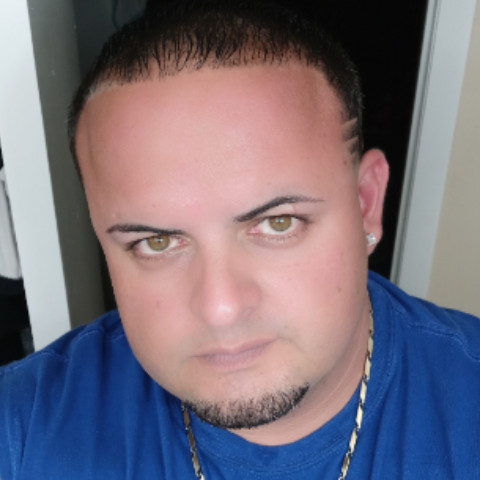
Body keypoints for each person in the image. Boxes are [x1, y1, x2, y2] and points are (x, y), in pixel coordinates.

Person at [1, 1, 479, 478]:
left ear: (365, 203)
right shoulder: (24, 426)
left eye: (278, 223)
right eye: (157, 242)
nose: (221, 308)